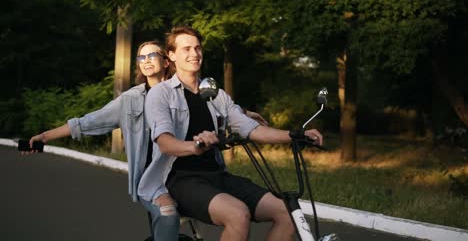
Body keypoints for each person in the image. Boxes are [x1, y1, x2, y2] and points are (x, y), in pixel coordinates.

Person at [26, 40, 267, 241]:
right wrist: (44, 137)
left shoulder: (185, 90)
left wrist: (244, 113)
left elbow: (216, 108)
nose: (147, 60)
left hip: (195, 174)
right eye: (142, 58)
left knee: (235, 213)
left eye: (153, 55)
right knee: (168, 213)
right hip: (156, 180)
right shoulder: (130, 100)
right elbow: (87, 122)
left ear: (166, 60)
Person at [144, 25, 323, 241]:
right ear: (171, 55)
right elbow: (165, 142)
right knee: (238, 214)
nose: (194, 54)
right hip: (181, 179)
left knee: (288, 212)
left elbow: (252, 129)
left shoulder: (217, 95)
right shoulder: (160, 94)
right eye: (186, 49)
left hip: (217, 175)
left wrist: (296, 134)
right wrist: (195, 145)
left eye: (198, 48)